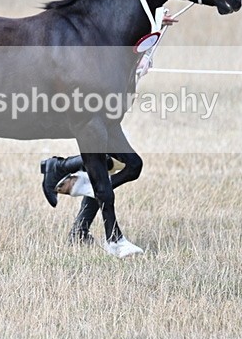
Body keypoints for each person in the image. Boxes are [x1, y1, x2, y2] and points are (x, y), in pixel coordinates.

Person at [40, 12, 177, 206]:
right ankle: (61, 168)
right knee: (107, 162)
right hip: (96, 100)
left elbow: (139, 47)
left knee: (106, 165)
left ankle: (80, 214)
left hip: (113, 102)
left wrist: (156, 25)